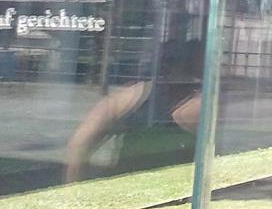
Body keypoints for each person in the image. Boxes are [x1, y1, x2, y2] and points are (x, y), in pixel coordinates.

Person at [65, 38, 203, 183]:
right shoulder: (134, 96)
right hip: (149, 186)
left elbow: (79, 143)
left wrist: (73, 185)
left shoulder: (132, 95)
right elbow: (80, 142)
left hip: (129, 184)